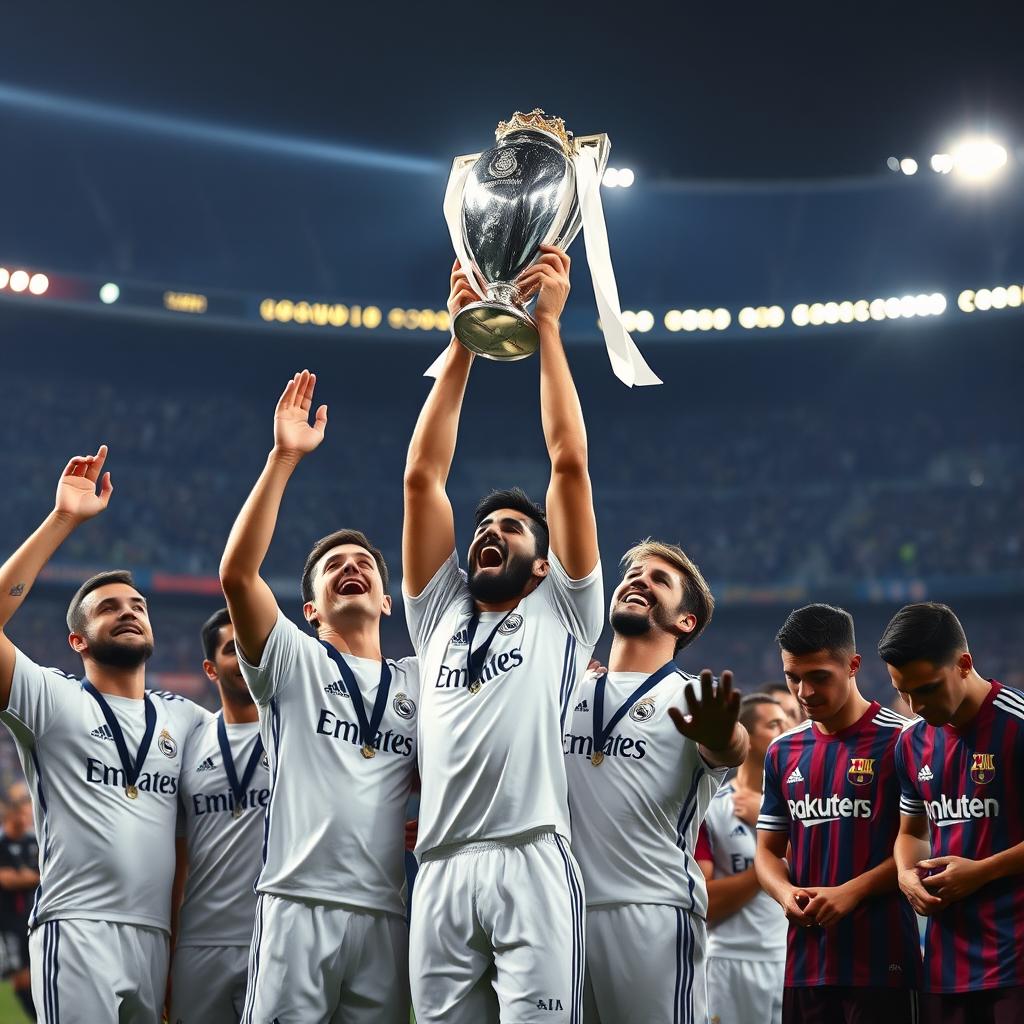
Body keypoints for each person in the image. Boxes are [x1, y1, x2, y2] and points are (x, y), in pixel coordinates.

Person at [402, 248, 603, 1023]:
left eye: (512, 528)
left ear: (546, 563)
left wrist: (547, 326)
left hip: (532, 855)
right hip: (441, 866)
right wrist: (461, 339)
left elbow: (570, 463)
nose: (490, 531)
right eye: (483, 525)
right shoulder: (437, 611)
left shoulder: (565, 610)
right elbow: (424, 475)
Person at [220, 371, 419, 1024]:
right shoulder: (293, 661)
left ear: (388, 601)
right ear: (309, 609)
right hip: (297, 901)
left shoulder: (421, 680)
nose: (351, 566)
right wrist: (283, 459)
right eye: (333, 567)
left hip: (389, 912)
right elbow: (237, 575)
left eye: (365, 563)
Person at [0, 446, 210, 1023]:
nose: (129, 611)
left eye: (138, 604)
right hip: (77, 928)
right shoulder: (51, 698)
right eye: (109, 607)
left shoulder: (187, 720)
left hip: (157, 940)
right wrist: (63, 519)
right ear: (77, 640)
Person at [564, 539, 747, 1024]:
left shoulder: (690, 698)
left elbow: (731, 747)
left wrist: (725, 736)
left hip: (652, 911)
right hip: (560, 912)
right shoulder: (564, 689)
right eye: (633, 574)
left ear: (685, 621)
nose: (638, 580)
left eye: (659, 580)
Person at [755, 603, 920, 1024]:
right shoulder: (782, 752)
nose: (804, 693)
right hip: (805, 965)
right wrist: (783, 893)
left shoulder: (902, 741)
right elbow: (768, 852)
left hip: (882, 962)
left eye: (818, 677)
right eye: (794, 677)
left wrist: (852, 892)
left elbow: (922, 844)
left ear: (853, 665)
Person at [883, 602, 1024, 1024]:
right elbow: (911, 832)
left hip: (1016, 959)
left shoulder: (1017, 725)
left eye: (926, 688)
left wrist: (982, 871)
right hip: (946, 965)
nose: (914, 704)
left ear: (964, 664)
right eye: (903, 690)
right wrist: (906, 875)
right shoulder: (911, 744)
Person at [168, 608, 269, 1023]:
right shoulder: (189, 745)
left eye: (252, 648)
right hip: (199, 944)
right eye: (233, 650)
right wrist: (169, 950)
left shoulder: (298, 734)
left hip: (277, 936)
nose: (245, 658)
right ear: (211, 668)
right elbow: (178, 860)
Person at [697, 694, 788, 1024]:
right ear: (746, 736)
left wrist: (764, 820)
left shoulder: (802, 807)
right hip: (729, 960)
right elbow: (704, 903)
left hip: (789, 958)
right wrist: (767, 867)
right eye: (774, 723)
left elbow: (824, 873)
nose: (788, 728)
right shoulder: (710, 808)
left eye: (789, 720)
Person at [0, 783, 38, 1020]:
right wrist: (29, 876)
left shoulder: (33, 843)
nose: (25, 819)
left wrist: (24, 877)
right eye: (22, 813)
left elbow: (44, 874)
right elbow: (6, 880)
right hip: (7, 921)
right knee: (20, 977)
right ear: (11, 815)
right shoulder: (2, 844)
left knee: (36, 973)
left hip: (31, 917)